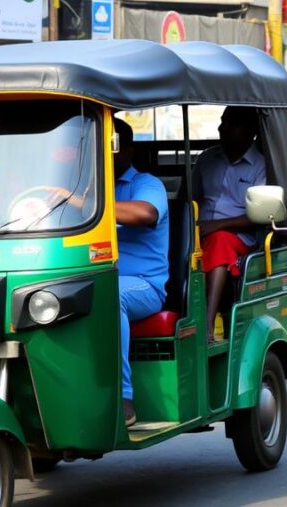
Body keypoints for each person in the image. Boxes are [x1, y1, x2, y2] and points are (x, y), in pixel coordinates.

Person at [113, 118, 169, 426]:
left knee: (111, 296)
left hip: (144, 286)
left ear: (127, 150)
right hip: (92, 276)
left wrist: (89, 204)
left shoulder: (146, 184)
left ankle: (123, 397)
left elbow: (146, 213)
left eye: (111, 146)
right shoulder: (86, 186)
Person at [194, 106, 267, 342]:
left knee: (219, 241)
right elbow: (191, 199)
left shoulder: (260, 165)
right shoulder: (206, 159)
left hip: (239, 237)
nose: (221, 128)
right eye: (222, 122)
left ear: (250, 131)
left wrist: (217, 225)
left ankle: (206, 325)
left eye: (231, 124)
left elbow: (258, 216)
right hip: (199, 231)